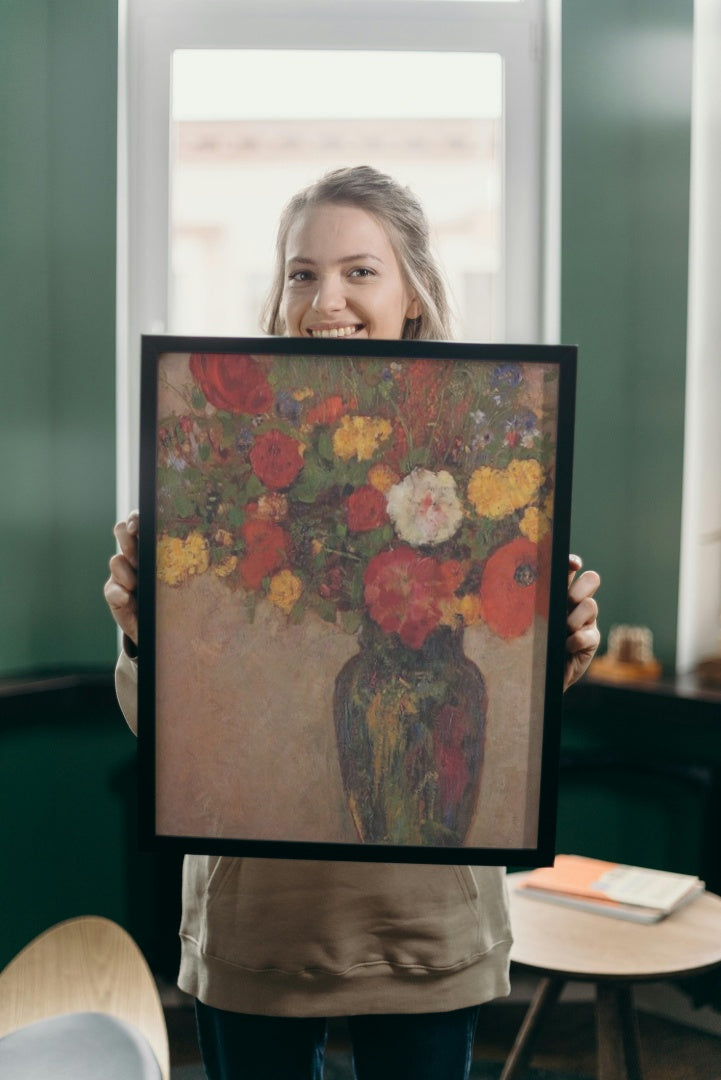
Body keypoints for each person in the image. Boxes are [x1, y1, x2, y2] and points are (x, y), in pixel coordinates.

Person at [105, 166, 601, 1080]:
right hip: (259, 925)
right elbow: (171, 734)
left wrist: (560, 644)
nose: (324, 298)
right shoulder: (220, 462)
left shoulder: (491, 454)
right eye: (301, 273)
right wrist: (146, 636)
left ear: (412, 292)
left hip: (423, 925)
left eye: (358, 271)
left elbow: (513, 697)